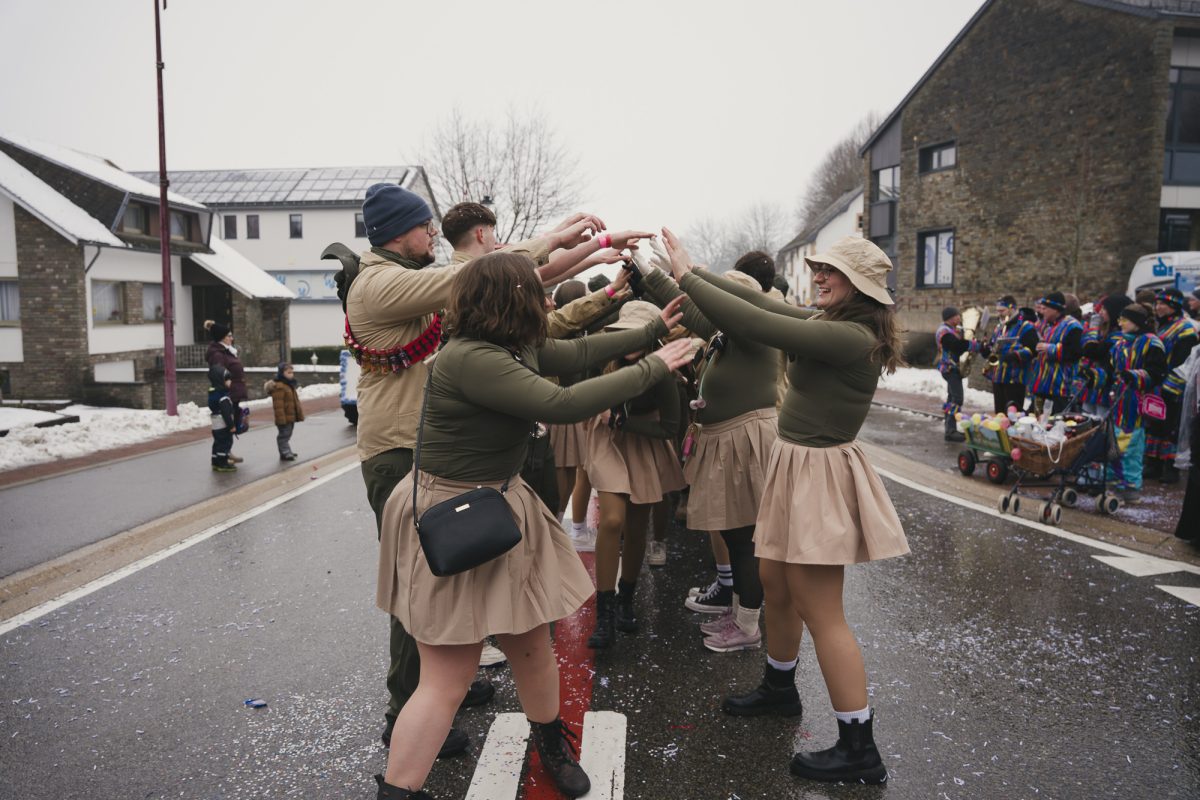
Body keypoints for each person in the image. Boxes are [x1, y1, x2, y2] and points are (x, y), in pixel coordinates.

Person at [374, 251, 693, 799]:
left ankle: (550, 742)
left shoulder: (507, 345)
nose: (546, 302)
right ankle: (397, 792)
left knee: (531, 646)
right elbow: (562, 401)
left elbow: (577, 349)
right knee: (447, 680)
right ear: (513, 302)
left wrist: (650, 330)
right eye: (536, 294)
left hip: (497, 501)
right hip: (456, 513)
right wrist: (654, 366)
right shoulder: (473, 358)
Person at [345, 182, 603, 756]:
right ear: (396, 232)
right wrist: (560, 236)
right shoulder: (379, 281)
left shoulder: (411, 278)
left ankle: (443, 686)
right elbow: (478, 278)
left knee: (460, 584)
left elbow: (510, 281)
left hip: (435, 449)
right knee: (426, 590)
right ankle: (407, 706)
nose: (432, 233)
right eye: (423, 226)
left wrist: (590, 250)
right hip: (401, 453)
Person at [663, 230, 909, 784]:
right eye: (819, 268)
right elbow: (756, 304)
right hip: (795, 465)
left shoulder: (851, 334)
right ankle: (779, 687)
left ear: (862, 288)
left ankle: (858, 746)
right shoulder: (828, 324)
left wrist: (686, 277)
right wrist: (691, 270)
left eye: (833, 272)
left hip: (818, 473)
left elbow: (756, 323)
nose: (820, 276)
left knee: (823, 613)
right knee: (774, 580)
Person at [635, 254, 783, 653]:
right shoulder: (726, 333)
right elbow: (685, 304)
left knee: (746, 539)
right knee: (735, 535)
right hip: (728, 437)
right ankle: (739, 613)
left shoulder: (753, 331)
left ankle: (748, 625)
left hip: (745, 439)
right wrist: (650, 271)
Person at [583, 300, 688, 649]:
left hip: (645, 442)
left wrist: (627, 421)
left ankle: (626, 598)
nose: (631, 342)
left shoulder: (665, 375)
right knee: (612, 520)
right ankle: (605, 613)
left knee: (637, 525)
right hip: (608, 441)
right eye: (625, 335)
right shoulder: (606, 362)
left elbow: (670, 427)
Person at [1096, 303, 1167, 500]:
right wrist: (1095, 376)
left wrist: (1134, 376)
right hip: (1118, 400)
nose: (1120, 323)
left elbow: (1157, 373)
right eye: (1119, 319)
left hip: (1136, 402)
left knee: (1132, 443)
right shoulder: (1120, 343)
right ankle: (1111, 481)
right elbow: (1110, 372)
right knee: (1113, 440)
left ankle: (1129, 486)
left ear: (1136, 323)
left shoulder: (1152, 343)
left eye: (1124, 320)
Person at [1146, 289, 1199, 484]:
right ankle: (1154, 463)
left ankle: (1170, 468)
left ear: (1174, 306)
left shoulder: (1185, 330)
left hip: (1174, 387)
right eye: (1157, 303)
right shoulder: (1162, 326)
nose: (1158, 307)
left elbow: (1184, 362)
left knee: (1171, 427)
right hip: (1158, 385)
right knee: (1156, 425)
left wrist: (1169, 386)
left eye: (1163, 304)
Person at [1030, 291, 1083, 415]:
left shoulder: (1073, 326)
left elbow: (1075, 353)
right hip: (1042, 385)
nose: (1042, 312)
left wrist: (1050, 348)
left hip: (1059, 387)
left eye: (1045, 309)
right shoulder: (1049, 325)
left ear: (1056, 310)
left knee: (1055, 422)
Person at [1079, 294, 1131, 415]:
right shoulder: (1106, 332)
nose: (1100, 313)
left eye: (1104, 309)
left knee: (1100, 422)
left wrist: (1092, 329)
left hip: (1106, 388)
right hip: (1094, 388)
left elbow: (1091, 351)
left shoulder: (1118, 336)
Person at [985, 296, 1038, 414]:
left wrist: (1014, 356)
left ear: (1012, 309)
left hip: (1015, 379)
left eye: (1002, 311)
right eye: (997, 311)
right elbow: (992, 346)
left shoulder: (1026, 327)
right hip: (998, 378)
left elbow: (1033, 350)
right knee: (999, 414)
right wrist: (986, 349)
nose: (999, 314)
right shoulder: (999, 327)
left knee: (1013, 415)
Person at [935, 307, 981, 442]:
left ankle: (950, 429)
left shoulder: (951, 330)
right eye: (957, 316)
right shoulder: (944, 332)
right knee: (957, 399)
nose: (959, 319)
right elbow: (956, 346)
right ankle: (950, 431)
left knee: (951, 399)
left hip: (953, 369)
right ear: (951, 317)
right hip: (950, 369)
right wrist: (974, 345)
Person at [204, 320, 247, 462]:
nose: (232, 338)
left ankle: (226, 452)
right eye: (229, 336)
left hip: (233, 392)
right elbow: (218, 373)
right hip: (227, 394)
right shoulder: (218, 354)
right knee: (226, 426)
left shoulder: (226, 351)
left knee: (230, 424)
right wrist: (227, 389)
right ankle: (223, 455)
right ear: (221, 337)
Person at [264, 362, 304, 461]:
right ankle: (285, 452)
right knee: (284, 435)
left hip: (290, 415)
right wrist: (281, 419)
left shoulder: (289, 385)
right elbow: (278, 405)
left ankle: (286, 451)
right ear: (282, 373)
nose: (291, 374)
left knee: (288, 433)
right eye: (288, 372)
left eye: (292, 372)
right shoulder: (279, 387)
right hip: (284, 417)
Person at [207, 365, 237, 472]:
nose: (230, 382)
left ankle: (215, 460)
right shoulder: (223, 396)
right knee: (225, 442)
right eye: (228, 379)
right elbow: (226, 413)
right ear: (221, 380)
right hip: (223, 424)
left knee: (217, 442)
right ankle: (222, 462)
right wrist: (232, 426)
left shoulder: (213, 393)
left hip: (216, 423)